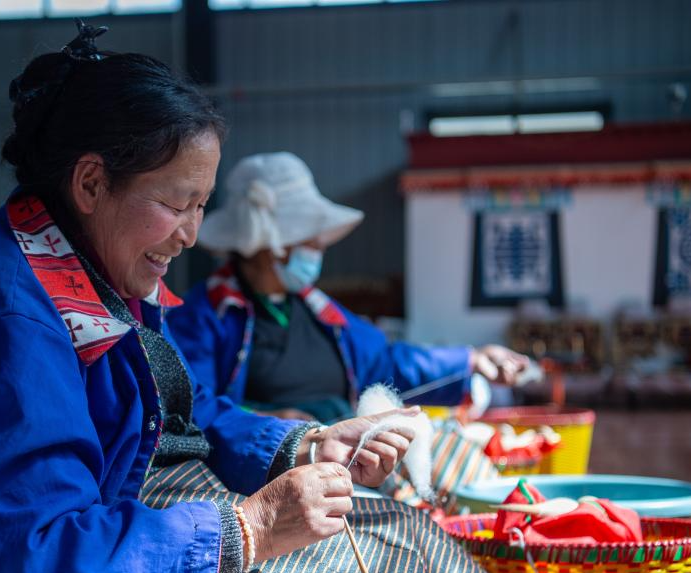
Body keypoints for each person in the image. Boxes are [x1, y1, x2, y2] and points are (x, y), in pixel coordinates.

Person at [0, 23, 590, 573]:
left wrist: (305, 445)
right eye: (176, 204)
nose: (191, 234)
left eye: (201, 206)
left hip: (130, 509)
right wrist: (251, 528)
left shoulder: (91, 269)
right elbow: (37, 552)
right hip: (55, 563)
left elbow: (184, 410)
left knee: (406, 531)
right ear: (91, 182)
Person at [168, 152, 531, 423]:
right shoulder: (203, 318)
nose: (319, 247)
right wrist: (269, 420)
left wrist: (471, 360)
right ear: (271, 245)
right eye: (310, 238)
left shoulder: (316, 309)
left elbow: (383, 360)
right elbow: (194, 408)